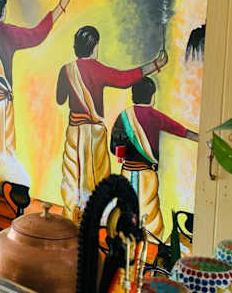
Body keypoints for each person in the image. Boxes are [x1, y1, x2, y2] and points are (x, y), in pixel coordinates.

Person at [56, 26, 168, 221]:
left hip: (74, 131)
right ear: (94, 47)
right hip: (95, 132)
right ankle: (96, 221)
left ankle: (72, 216)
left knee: (72, 174)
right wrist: (156, 64)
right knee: (97, 176)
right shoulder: (98, 70)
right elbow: (124, 79)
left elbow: (60, 99)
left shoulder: (66, 70)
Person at [0, 0, 71, 191]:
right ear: (4, 10)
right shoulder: (9, 33)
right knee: (3, 150)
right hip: (2, 104)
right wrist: (62, 4)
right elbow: (37, 34)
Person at [109, 77, 198, 237]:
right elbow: (180, 130)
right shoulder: (155, 116)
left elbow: (113, 147)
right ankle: (150, 246)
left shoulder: (123, 116)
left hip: (126, 173)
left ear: (133, 95)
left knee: (124, 211)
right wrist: (201, 138)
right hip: (147, 175)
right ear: (152, 96)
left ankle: (125, 243)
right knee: (150, 216)